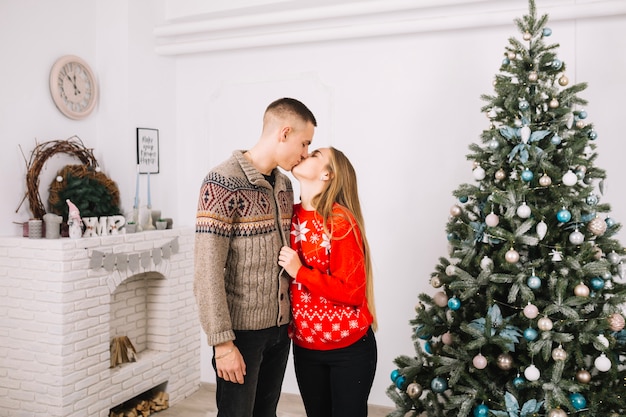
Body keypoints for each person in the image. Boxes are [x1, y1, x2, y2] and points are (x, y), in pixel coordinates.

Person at [193, 97, 317, 417]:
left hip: (279, 330)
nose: (305, 153)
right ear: (284, 132)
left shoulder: (285, 186)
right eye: (304, 143)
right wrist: (222, 344)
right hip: (241, 336)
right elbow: (207, 270)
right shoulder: (222, 182)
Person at [278, 147, 378, 417]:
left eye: (315, 154)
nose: (304, 154)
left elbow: (352, 292)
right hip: (306, 347)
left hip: (349, 349)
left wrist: (300, 272)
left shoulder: (340, 221)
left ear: (327, 174)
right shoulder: (288, 216)